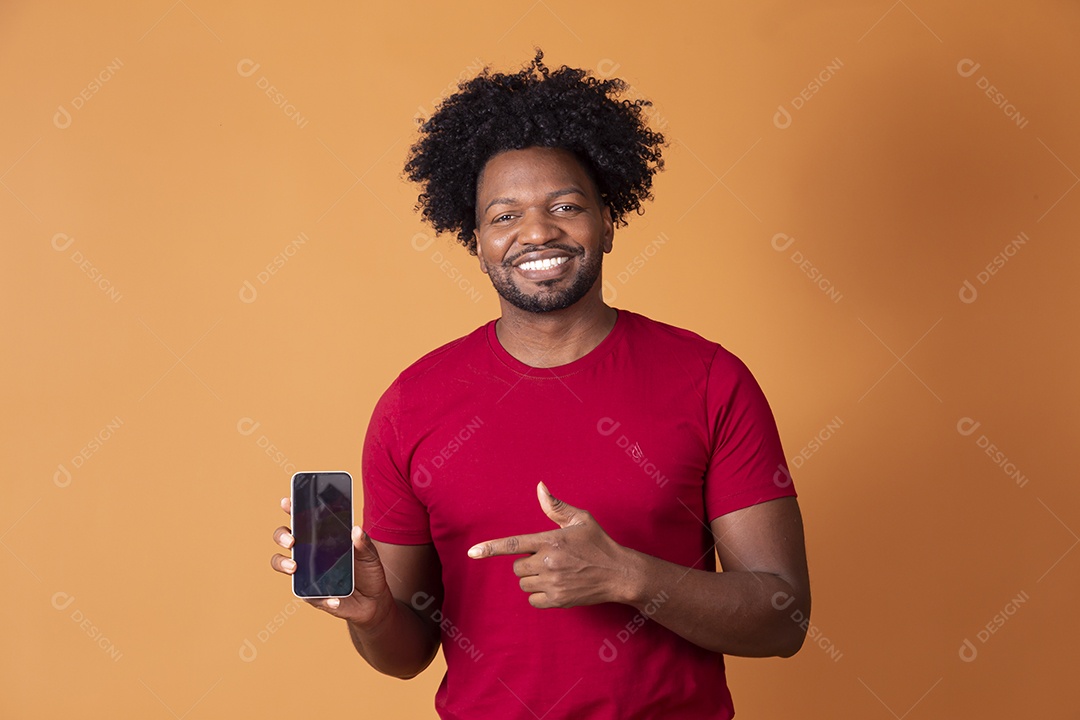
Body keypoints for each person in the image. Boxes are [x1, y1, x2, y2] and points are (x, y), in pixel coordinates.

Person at [271, 49, 810, 719]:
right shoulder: (414, 405)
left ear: (608, 220)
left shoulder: (709, 381)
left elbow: (784, 618)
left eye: (564, 205)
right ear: (476, 241)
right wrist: (375, 613)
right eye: (504, 216)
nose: (536, 232)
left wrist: (629, 577)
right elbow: (404, 656)